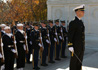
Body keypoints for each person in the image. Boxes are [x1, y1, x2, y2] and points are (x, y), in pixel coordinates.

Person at [68, 4, 85, 70]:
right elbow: (70, 35)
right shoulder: (73, 22)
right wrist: (70, 45)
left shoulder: (81, 22)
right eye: (82, 11)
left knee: (79, 62)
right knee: (74, 63)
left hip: (81, 47)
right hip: (75, 47)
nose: (84, 13)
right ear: (77, 12)